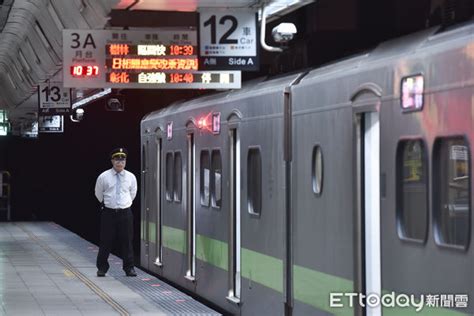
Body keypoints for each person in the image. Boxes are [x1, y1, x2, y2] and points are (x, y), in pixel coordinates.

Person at [95, 147, 138, 277]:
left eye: (123, 159)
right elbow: (98, 193)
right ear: (112, 161)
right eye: (117, 159)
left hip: (125, 213)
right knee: (106, 240)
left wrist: (124, 204)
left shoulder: (131, 177)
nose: (120, 162)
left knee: (127, 241)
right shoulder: (104, 176)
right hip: (109, 213)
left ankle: (129, 268)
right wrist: (109, 204)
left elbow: (133, 193)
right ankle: (102, 268)